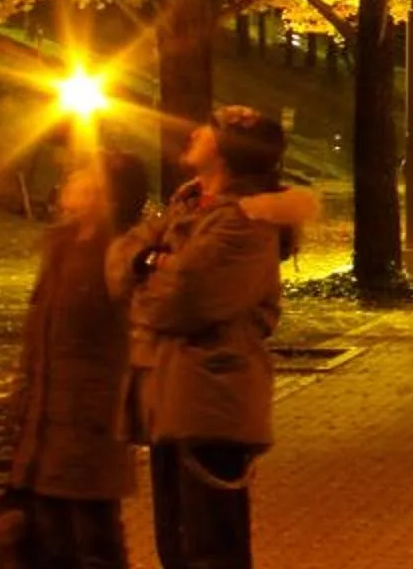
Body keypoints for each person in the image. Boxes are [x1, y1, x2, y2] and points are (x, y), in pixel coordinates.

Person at [115, 108, 319, 569]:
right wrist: (153, 266)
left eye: (209, 127)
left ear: (228, 150)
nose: (195, 132)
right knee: (175, 546)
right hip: (168, 395)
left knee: (211, 550)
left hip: (211, 398)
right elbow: (120, 258)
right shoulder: (187, 205)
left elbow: (183, 301)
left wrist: (148, 273)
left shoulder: (246, 223)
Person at [10, 149, 152, 569]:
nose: (71, 178)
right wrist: (25, 392)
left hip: (91, 418)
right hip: (46, 416)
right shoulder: (61, 245)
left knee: (93, 538)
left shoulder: (120, 254)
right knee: (50, 538)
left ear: (105, 194)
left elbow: (133, 331)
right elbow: (40, 333)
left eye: (83, 173)